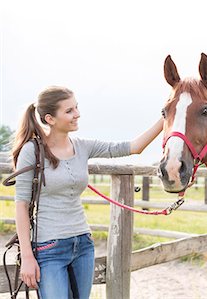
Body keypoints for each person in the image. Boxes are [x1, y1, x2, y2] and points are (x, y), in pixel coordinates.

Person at [12, 86, 163, 299]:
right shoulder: (32, 151)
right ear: (50, 118)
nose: (77, 114)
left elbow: (133, 147)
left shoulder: (83, 146)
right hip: (49, 249)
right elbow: (21, 206)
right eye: (69, 111)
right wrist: (27, 256)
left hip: (82, 244)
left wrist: (166, 118)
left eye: (76, 107)